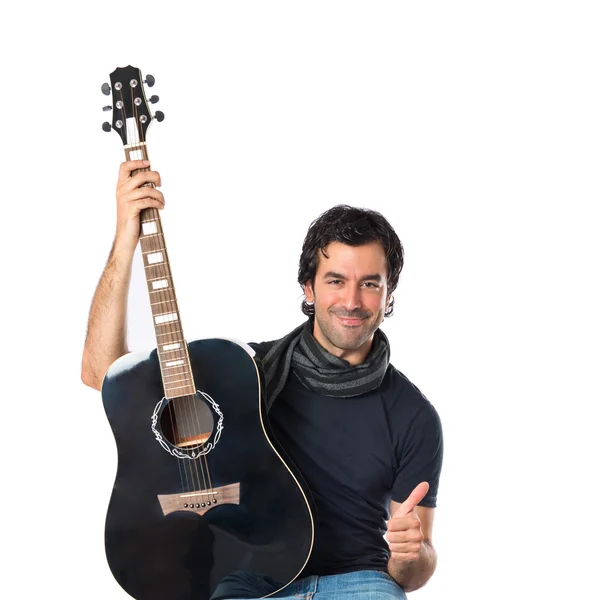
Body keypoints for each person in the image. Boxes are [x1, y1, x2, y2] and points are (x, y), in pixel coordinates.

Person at [81, 159, 444, 599]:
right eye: (335, 280)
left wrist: (411, 554)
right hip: (251, 579)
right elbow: (103, 373)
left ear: (389, 297)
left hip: (360, 579)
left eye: (370, 283)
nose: (351, 300)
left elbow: (414, 571)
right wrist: (125, 239)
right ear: (308, 290)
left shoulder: (415, 416)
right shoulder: (244, 372)